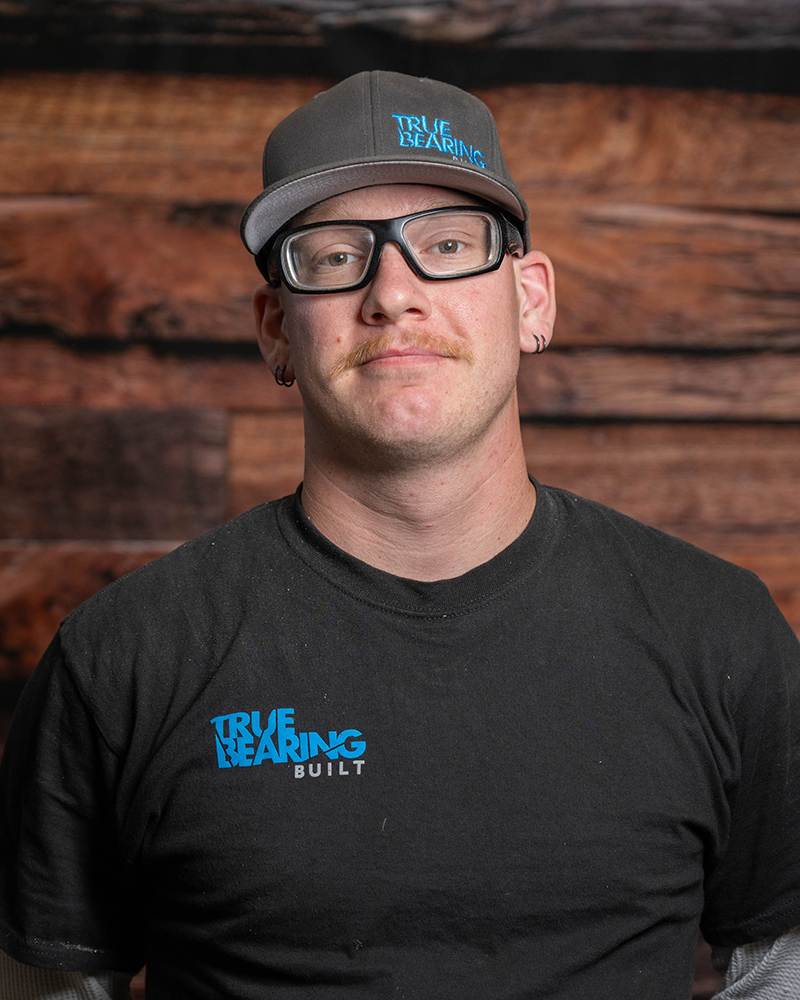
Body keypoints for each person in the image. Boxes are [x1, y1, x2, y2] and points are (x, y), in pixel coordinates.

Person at [1, 70, 799, 1000]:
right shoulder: (123, 659)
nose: (393, 294)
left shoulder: (719, 632)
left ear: (531, 300)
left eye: (448, 244)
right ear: (275, 332)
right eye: (335, 258)